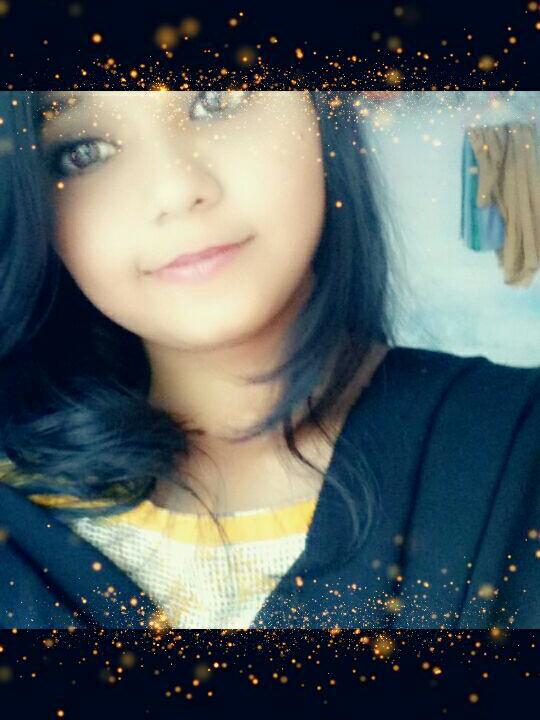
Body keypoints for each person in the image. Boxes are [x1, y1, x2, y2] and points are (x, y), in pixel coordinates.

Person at [0, 90, 538, 630]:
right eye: (83, 151)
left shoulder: (511, 453)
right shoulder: (17, 512)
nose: (175, 190)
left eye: (216, 99)